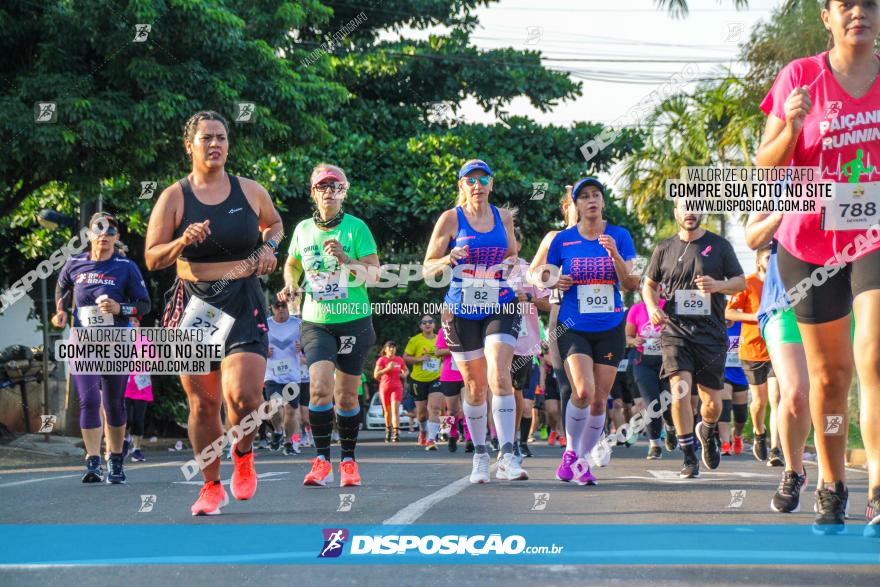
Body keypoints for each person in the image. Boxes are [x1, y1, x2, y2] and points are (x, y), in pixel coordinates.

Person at [756, 0, 880, 533]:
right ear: (827, 17)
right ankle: (832, 483)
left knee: (873, 357)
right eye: (846, 5)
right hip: (808, 245)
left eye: (869, 3)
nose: (860, 12)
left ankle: (878, 487)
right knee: (829, 381)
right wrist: (793, 126)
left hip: (873, 237)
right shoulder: (800, 76)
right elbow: (766, 164)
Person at [146, 111, 282, 515]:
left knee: (244, 396)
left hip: (242, 297)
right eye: (206, 138)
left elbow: (273, 224)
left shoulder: (250, 191)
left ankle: (243, 453)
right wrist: (181, 241)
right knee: (203, 403)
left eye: (221, 137)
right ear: (190, 145)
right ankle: (210, 486)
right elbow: (153, 258)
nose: (215, 144)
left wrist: (268, 249)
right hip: (195, 304)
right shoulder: (174, 197)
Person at [423, 159, 525, 483]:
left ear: (491, 184)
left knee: (499, 373)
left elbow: (511, 253)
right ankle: (480, 455)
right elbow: (427, 268)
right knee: (475, 386)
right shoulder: (450, 219)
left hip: (500, 302)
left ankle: (508, 454)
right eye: (471, 180)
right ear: (461, 186)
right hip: (460, 308)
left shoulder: (503, 217)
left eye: (483, 180)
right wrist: (447, 258)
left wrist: (508, 266)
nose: (477, 186)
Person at [533, 177, 639, 486]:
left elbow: (631, 283)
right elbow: (542, 274)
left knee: (599, 400)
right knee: (581, 391)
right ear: (576, 206)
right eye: (584, 197)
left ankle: (578, 460)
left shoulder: (619, 235)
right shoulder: (563, 240)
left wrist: (615, 255)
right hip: (572, 326)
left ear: (603, 202)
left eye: (596, 195)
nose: (591, 201)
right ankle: (571, 452)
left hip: (610, 326)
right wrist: (554, 281)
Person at [282, 163, 379, 488]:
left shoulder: (356, 229)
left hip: (353, 319)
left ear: (343, 191)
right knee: (321, 388)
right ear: (313, 192)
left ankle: (348, 461)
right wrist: (291, 283)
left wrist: (346, 260)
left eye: (334, 186)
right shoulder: (302, 229)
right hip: (317, 320)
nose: (328, 191)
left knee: (347, 397)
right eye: (322, 186)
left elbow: (375, 275)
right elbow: (292, 264)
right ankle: (322, 461)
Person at [642, 198, 745, 479]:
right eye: (684, 207)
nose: (690, 212)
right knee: (680, 390)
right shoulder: (664, 248)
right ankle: (689, 457)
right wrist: (652, 307)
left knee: (713, 404)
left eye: (695, 206)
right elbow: (649, 285)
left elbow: (740, 281)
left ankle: (707, 430)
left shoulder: (720, 245)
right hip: (676, 331)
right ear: (676, 211)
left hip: (711, 334)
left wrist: (719, 285)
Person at [53, 212, 151, 484]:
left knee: (114, 403)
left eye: (111, 232)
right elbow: (61, 289)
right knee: (89, 400)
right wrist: (60, 312)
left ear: (117, 238)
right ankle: (93, 461)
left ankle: (116, 459)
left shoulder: (126, 266)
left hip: (116, 343)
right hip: (84, 343)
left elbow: (144, 305)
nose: (104, 236)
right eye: (99, 229)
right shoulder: (74, 264)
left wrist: (121, 308)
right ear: (89, 235)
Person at [726, 246, 782, 464]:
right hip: (752, 349)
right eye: (768, 258)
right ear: (759, 261)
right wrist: (753, 316)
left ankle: (776, 449)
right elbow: (727, 312)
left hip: (778, 348)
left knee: (777, 397)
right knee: (759, 402)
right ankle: (760, 433)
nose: (772, 262)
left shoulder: (784, 283)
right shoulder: (747, 283)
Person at [532, 188, 577, 451]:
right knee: (568, 385)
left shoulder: (606, 237)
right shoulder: (554, 237)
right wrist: (550, 278)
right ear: (566, 208)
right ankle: (572, 443)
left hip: (601, 318)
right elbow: (532, 274)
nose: (581, 206)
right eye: (575, 202)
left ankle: (594, 435)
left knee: (596, 388)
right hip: (563, 315)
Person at [508, 228, 551, 459]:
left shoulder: (529, 271)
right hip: (494, 339)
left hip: (523, 343)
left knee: (517, 393)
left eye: (511, 239)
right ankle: (502, 438)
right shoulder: (487, 270)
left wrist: (529, 298)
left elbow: (549, 304)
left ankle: (515, 439)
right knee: (497, 389)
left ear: (520, 245)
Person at [627, 294, 675, 460]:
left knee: (669, 403)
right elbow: (628, 337)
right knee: (651, 404)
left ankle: (670, 427)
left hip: (668, 362)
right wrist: (634, 341)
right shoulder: (636, 309)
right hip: (643, 362)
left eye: (656, 287)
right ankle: (654, 444)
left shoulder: (669, 306)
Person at [264, 298, 302, 452]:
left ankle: (288, 442)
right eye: (277, 306)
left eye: (284, 306)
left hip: (292, 374)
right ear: (272, 308)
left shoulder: (298, 323)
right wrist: (264, 350)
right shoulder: (266, 324)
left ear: (288, 307)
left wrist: (303, 346)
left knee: (291, 409)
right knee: (274, 405)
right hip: (272, 373)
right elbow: (257, 342)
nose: (281, 309)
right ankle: (278, 430)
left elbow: (310, 341)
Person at [403, 315, 443, 449]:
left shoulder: (440, 339)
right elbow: (406, 358)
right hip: (418, 379)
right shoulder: (415, 340)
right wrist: (420, 359)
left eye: (430, 322)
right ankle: (423, 431)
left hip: (436, 378)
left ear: (434, 324)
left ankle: (431, 439)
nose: (427, 324)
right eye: (424, 322)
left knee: (435, 408)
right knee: (421, 414)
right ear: (420, 326)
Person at [435, 314, 465, 452]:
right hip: (449, 374)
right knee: (452, 410)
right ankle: (449, 434)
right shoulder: (443, 330)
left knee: (467, 407)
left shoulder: (471, 328)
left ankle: (470, 439)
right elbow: (437, 352)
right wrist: (454, 349)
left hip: (467, 373)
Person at [720, 320, 750, 457]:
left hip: (741, 374)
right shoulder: (717, 324)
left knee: (741, 415)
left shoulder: (742, 324)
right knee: (724, 409)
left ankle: (737, 435)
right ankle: (725, 443)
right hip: (723, 373)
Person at [125, 318, 153, 462]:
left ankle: (136, 449)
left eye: (136, 322)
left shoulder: (145, 340)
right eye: (130, 322)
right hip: (124, 385)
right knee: (125, 419)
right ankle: (124, 440)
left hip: (141, 386)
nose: (133, 324)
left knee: (138, 420)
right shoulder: (121, 340)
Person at [373, 341, 407, 442]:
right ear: (385, 349)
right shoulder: (382, 360)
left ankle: (396, 433)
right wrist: (387, 369)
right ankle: (388, 431)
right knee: (387, 411)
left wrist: (404, 374)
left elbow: (405, 370)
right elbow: (376, 375)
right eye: (390, 347)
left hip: (397, 387)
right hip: (385, 388)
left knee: (395, 409)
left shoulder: (399, 359)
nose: (392, 349)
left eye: (394, 347)